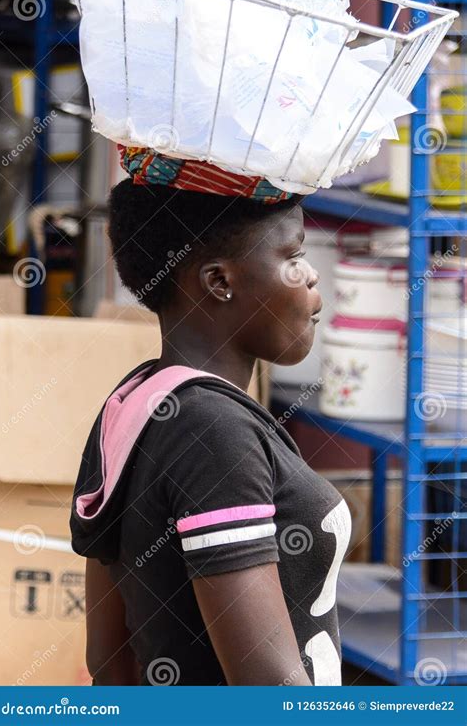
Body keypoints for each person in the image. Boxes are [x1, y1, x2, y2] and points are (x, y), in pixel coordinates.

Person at [70, 149, 351, 686]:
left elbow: (109, 658)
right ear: (220, 282)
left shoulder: (133, 400)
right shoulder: (215, 433)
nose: (312, 275)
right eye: (292, 255)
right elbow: (269, 693)